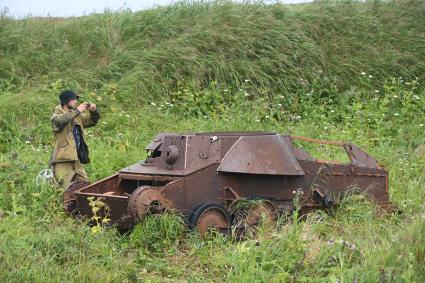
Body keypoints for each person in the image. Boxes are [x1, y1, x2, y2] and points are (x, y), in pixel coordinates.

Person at [49, 90, 100, 188]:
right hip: (63, 160)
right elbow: (60, 121)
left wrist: (94, 111)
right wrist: (78, 110)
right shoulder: (57, 115)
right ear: (66, 101)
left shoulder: (77, 116)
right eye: (73, 99)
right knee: (65, 190)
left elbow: (91, 122)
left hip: (77, 159)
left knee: (84, 188)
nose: (76, 102)